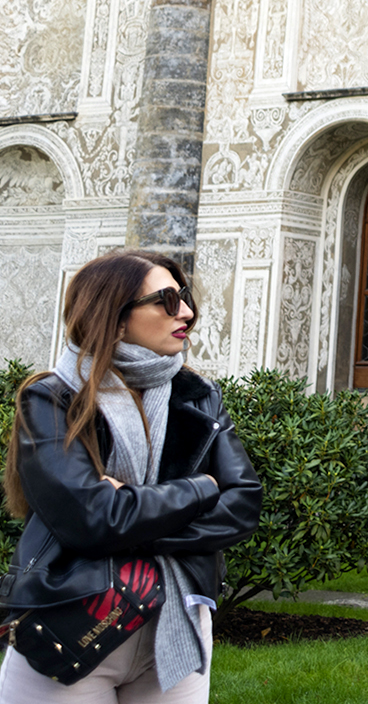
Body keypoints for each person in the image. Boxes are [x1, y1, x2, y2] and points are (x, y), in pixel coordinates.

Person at [0, 250, 263, 702]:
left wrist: (133, 513)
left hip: (176, 624)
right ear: (114, 317)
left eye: (183, 297)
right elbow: (91, 520)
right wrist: (201, 489)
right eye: (165, 300)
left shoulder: (196, 395)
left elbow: (243, 504)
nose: (187, 312)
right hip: (73, 621)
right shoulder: (51, 400)